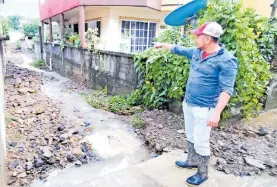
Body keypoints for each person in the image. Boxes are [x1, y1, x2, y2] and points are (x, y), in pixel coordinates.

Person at [154, 22, 238, 186]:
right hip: (189, 103)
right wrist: (163, 45)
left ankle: (202, 173)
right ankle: (191, 160)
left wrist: (217, 112)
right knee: (190, 135)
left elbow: (226, 90)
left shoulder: (227, 60)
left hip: (205, 108)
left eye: (197, 36)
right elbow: (179, 49)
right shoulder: (198, 53)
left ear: (207, 38)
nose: (194, 39)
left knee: (201, 141)